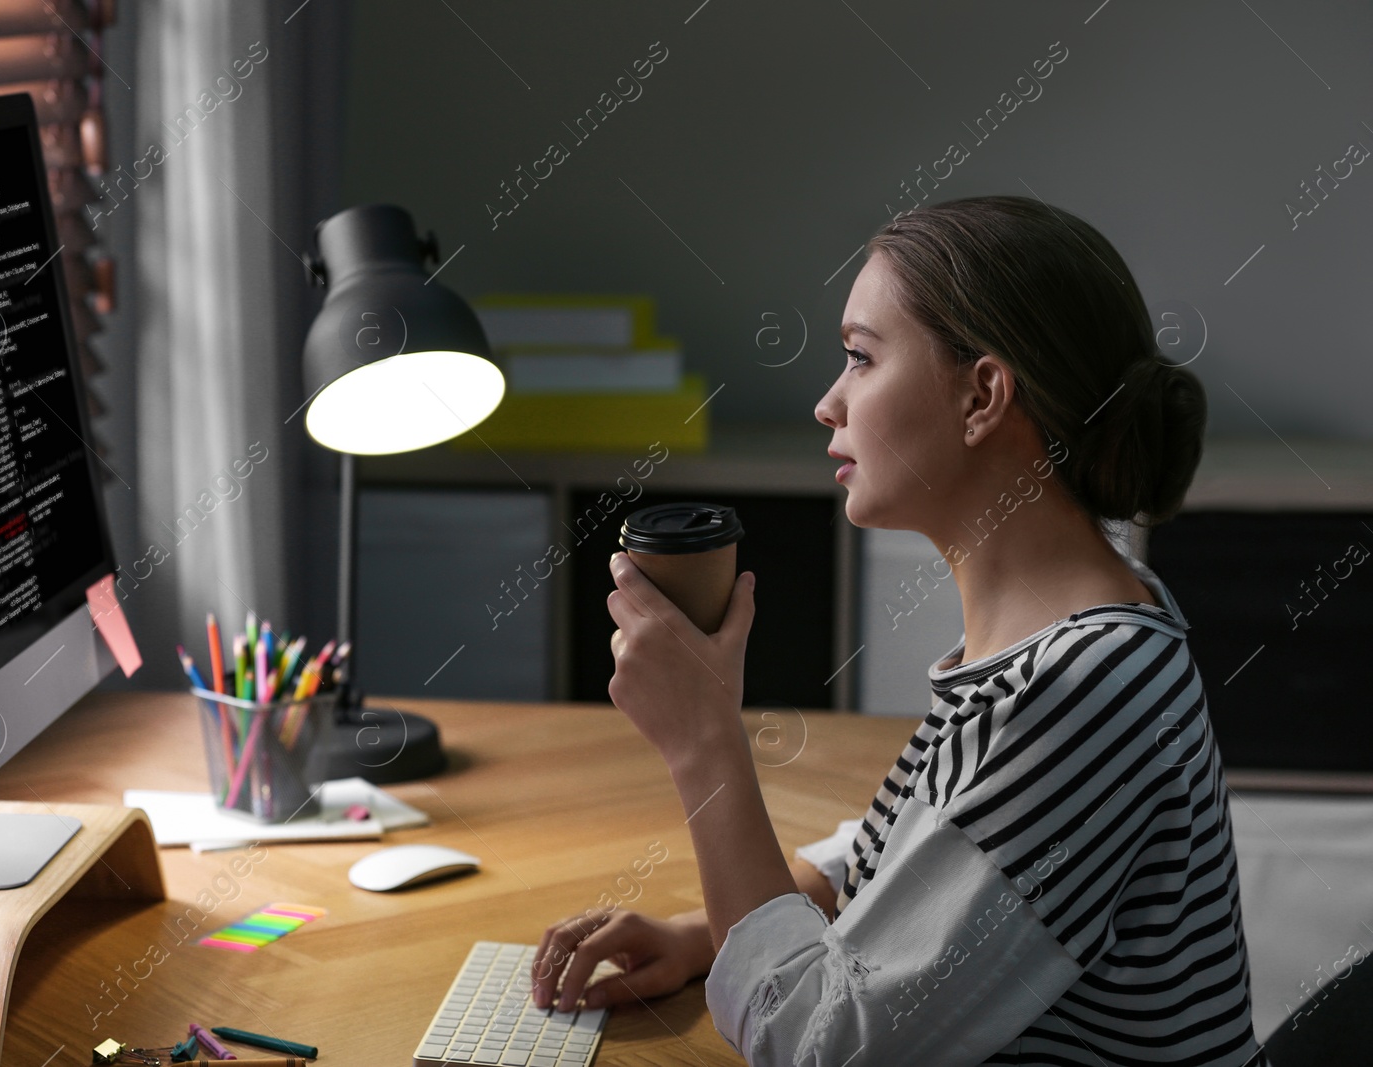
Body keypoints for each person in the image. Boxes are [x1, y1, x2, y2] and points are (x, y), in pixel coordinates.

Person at [530, 195, 1269, 1065]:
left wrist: (703, 742)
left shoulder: (1082, 689)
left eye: (859, 357)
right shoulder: (1077, 633)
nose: (827, 403)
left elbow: (817, 1044)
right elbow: (916, 859)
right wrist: (707, 934)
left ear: (982, 394)